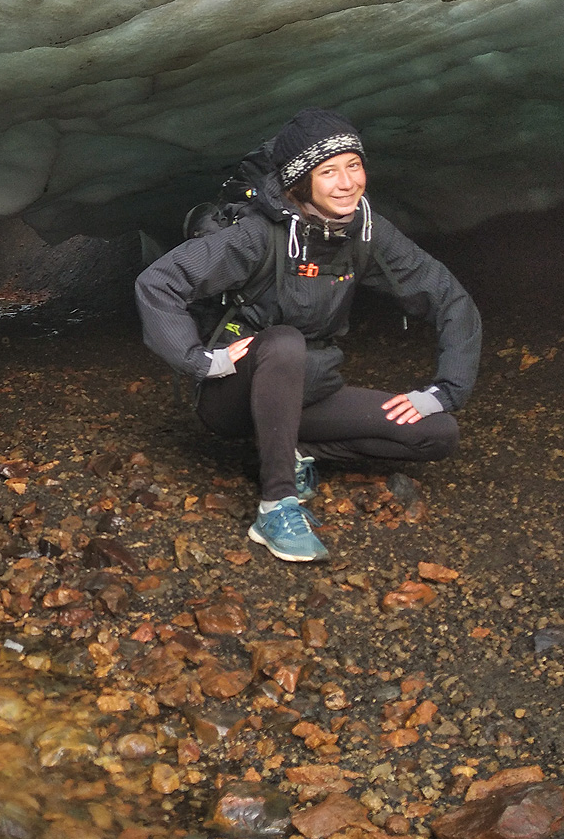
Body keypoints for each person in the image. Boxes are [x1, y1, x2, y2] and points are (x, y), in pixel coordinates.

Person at [135, 108, 482, 563]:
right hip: (232, 395)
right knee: (283, 342)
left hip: (311, 391)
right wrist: (202, 361)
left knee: (438, 433)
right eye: (328, 172)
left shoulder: (367, 232)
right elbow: (158, 282)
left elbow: (450, 298)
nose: (347, 183)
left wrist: (443, 390)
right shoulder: (259, 236)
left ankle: (289, 447)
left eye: (353, 165)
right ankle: (276, 503)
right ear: (301, 182)